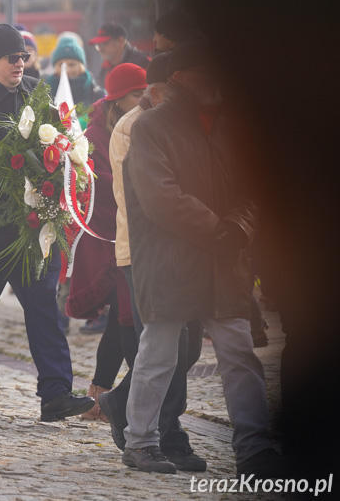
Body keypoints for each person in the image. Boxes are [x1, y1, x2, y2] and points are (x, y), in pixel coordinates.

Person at [120, 41, 281, 475]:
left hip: (223, 263)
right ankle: (140, 442)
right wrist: (220, 231)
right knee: (158, 355)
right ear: (180, 78)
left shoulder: (232, 127)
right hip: (172, 262)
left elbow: (253, 190)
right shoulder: (150, 128)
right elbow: (160, 197)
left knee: (239, 356)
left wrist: (239, 228)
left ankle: (254, 448)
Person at [0, 23, 93, 422]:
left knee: (44, 310)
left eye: (24, 57)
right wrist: (16, 184)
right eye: (14, 57)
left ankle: (56, 394)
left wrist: (58, 172)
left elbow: (54, 142)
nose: (21, 64)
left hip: (32, 228)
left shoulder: (33, 91)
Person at [98, 52, 206, 472]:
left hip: (188, 247)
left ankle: (122, 403)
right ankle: (159, 434)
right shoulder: (133, 127)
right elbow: (147, 198)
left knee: (186, 347)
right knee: (162, 346)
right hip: (144, 250)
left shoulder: (178, 122)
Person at [67, 63, 146, 422]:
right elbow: (101, 189)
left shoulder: (143, 126)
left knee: (121, 318)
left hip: (136, 238)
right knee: (125, 317)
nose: (143, 101)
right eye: (135, 95)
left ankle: (100, 397)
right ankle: (130, 404)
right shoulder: (95, 135)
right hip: (109, 241)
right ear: (116, 101)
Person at [45, 36, 105, 110]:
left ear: (81, 66)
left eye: (72, 64)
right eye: (61, 65)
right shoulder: (44, 93)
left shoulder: (97, 94)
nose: (67, 70)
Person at [88, 22, 150, 88]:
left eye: (105, 44)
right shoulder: (105, 69)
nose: (100, 49)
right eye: (98, 45)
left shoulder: (143, 64)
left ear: (120, 41)